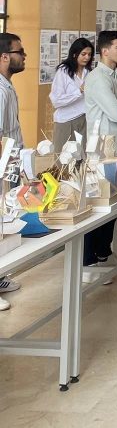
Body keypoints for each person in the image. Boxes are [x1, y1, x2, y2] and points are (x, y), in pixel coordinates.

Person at [83, 30, 117, 277]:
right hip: (101, 153)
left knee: (114, 206)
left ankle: (104, 253)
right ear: (105, 51)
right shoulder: (97, 79)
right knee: (99, 207)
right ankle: (88, 262)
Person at [0, 33, 26, 308]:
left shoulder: (7, 86)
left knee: (5, 222)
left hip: (12, 163)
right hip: (3, 166)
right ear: (5, 57)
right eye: (20, 52)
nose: (24, 56)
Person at [50, 38, 94, 153]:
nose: (87, 57)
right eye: (83, 54)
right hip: (66, 120)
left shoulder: (89, 72)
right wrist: (79, 91)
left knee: (83, 157)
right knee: (63, 158)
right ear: (75, 54)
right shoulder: (63, 71)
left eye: (89, 54)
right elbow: (56, 101)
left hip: (85, 119)